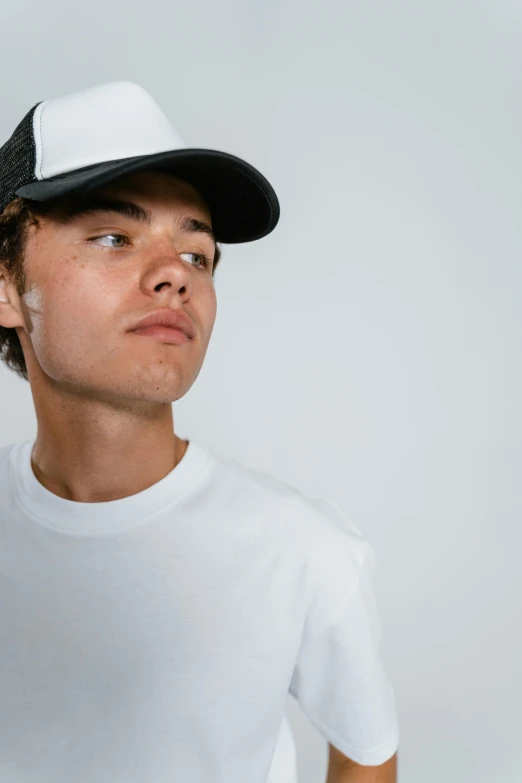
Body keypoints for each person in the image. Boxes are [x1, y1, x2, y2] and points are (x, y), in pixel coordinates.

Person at [0, 81, 399, 783]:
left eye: (197, 254)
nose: (173, 278)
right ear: (6, 286)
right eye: (114, 237)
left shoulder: (303, 550)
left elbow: (368, 755)